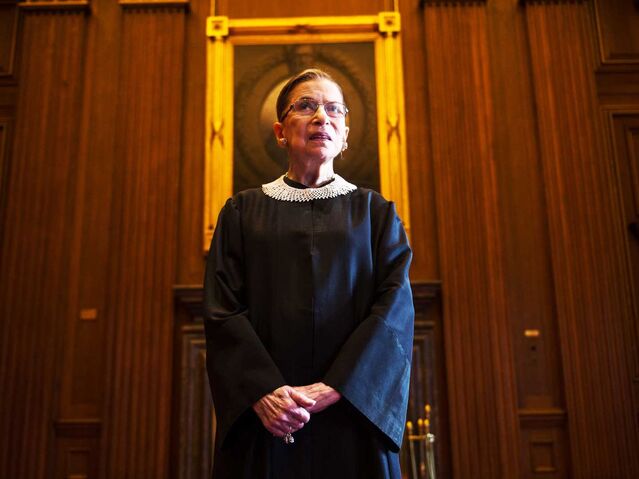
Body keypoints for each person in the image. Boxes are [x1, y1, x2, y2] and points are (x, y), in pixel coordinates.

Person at [203, 68, 414, 478]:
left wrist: (339, 386)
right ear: (280, 132)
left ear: (345, 134)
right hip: (267, 417)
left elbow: (394, 311)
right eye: (306, 106)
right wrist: (263, 391)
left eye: (334, 109)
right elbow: (222, 309)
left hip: (353, 414)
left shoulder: (376, 214)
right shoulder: (241, 212)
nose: (322, 117)